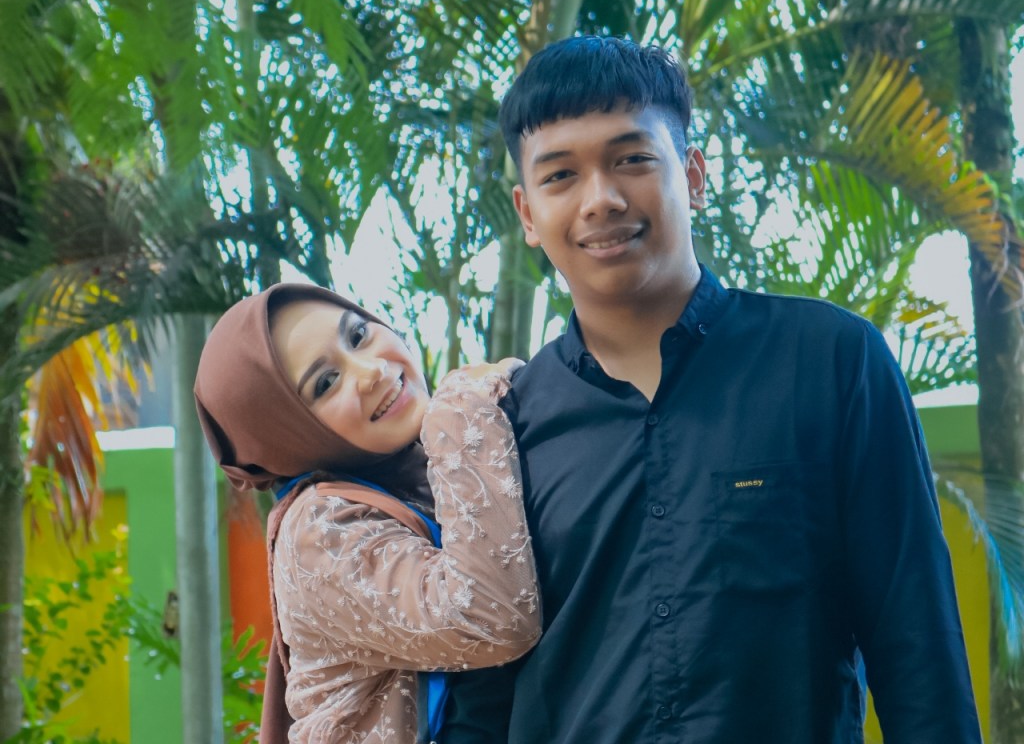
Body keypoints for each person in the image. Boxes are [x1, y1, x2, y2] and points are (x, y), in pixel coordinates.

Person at [441, 36, 982, 744]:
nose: (601, 200)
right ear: (526, 215)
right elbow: (483, 691)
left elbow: (917, 644)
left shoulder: (830, 361)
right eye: (561, 175)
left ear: (693, 176)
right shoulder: (502, 426)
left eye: (632, 159)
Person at [194, 282, 540, 744]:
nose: (371, 370)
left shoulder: (421, 470)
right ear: (286, 435)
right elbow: (492, 618)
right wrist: (462, 407)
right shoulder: (318, 530)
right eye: (325, 383)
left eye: (357, 335)